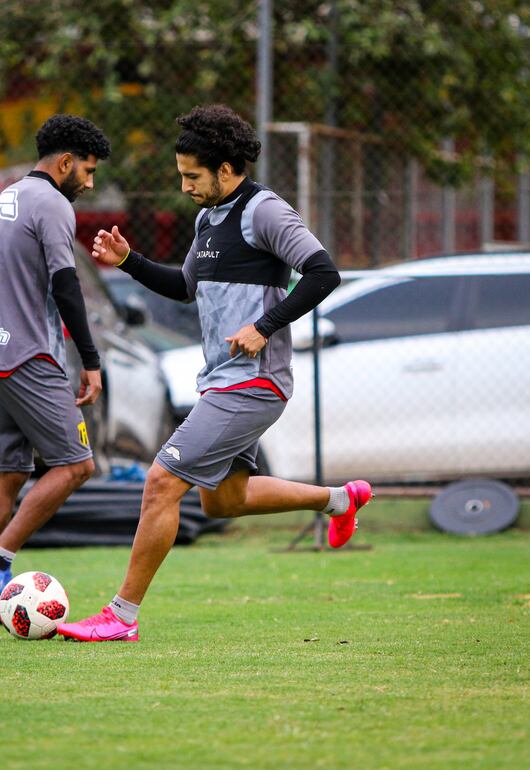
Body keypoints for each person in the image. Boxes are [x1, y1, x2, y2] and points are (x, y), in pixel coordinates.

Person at [57, 105, 372, 643]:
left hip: (254, 381)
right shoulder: (208, 219)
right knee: (221, 500)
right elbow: (186, 286)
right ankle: (338, 500)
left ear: (227, 169)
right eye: (181, 175)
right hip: (221, 381)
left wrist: (265, 325)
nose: (184, 187)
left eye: (192, 176)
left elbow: (324, 272)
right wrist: (129, 260)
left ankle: (120, 617)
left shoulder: (264, 211)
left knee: (160, 483)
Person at [0, 115, 111, 623]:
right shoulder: (52, 203)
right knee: (77, 465)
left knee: (8, 473)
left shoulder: (7, 197)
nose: (89, 184)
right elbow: (66, 285)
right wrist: (90, 362)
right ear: (65, 162)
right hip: (29, 356)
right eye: (87, 172)